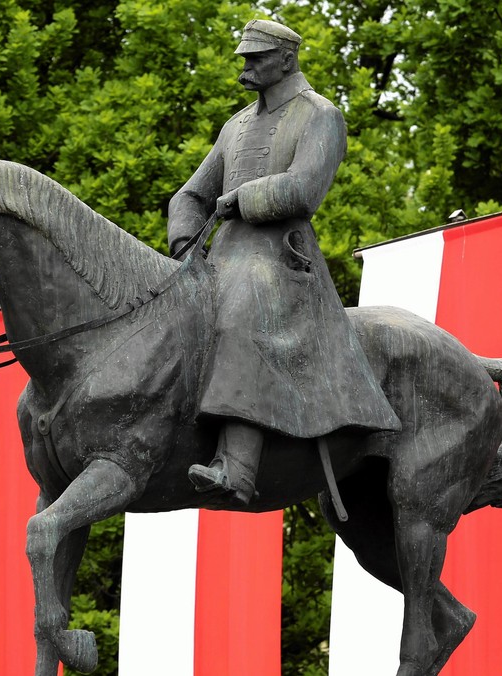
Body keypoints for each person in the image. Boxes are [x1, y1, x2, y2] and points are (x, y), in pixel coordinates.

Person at [167, 19, 401, 505]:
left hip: (278, 261)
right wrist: (185, 243)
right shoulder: (235, 125)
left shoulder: (321, 115)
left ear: (287, 59)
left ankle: (237, 467)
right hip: (223, 254)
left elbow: (303, 189)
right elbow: (191, 194)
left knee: (241, 306)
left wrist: (240, 197)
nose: (244, 68)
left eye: (255, 58)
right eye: (244, 58)